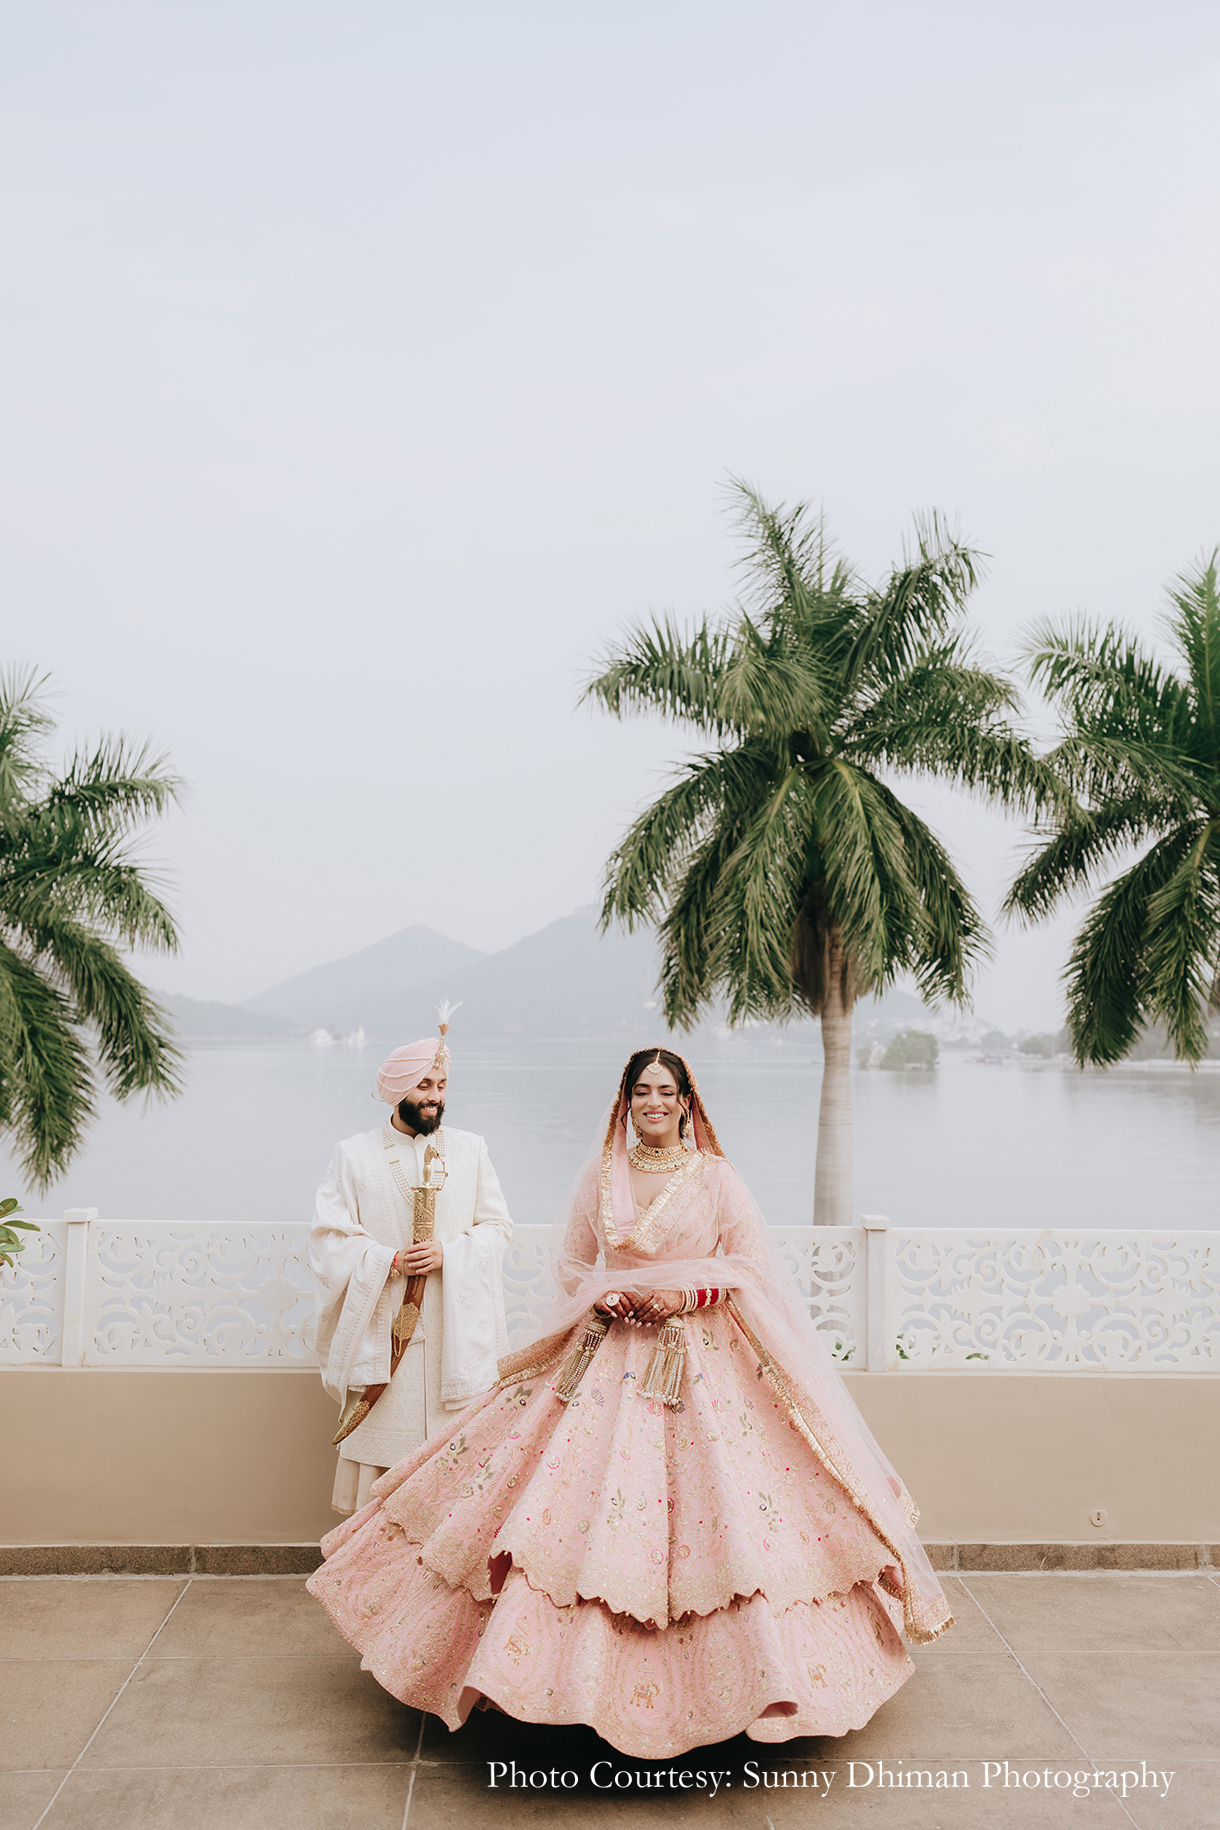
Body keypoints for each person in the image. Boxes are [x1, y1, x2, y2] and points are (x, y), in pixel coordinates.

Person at [307, 1047, 953, 1755]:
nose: (653, 1103)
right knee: (558, 1505)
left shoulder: (715, 1178)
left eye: (665, 1092)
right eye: (641, 1091)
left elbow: (747, 1266)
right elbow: (574, 1264)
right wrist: (604, 1293)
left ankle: (749, 1684)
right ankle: (539, 1681)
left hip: (703, 1358)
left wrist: (685, 1294)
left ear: (685, 1102)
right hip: (603, 1350)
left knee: (729, 1517)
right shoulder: (600, 1178)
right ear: (626, 1101)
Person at [310, 1013, 513, 1516]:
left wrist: (451, 1253)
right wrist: (387, 1260)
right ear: (398, 1089)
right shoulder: (353, 1155)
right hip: (387, 1341)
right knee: (386, 1481)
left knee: (458, 1474)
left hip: (454, 1336)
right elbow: (328, 1240)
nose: (435, 1096)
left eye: (442, 1085)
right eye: (424, 1085)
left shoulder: (470, 1149)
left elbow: (498, 1229)